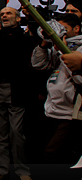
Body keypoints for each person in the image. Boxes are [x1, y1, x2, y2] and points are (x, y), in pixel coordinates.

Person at [0, 7, 40, 180]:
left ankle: (22, 170)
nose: (4, 16)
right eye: (2, 14)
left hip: (18, 91)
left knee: (17, 132)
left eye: (8, 13)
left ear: (18, 18)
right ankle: (2, 169)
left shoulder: (26, 39)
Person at [31, 14, 82, 164]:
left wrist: (63, 51)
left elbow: (80, 79)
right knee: (44, 152)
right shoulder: (55, 46)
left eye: (63, 29)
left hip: (69, 113)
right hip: (51, 110)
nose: (60, 33)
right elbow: (38, 64)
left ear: (76, 29)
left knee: (53, 154)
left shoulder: (80, 47)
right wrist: (45, 43)